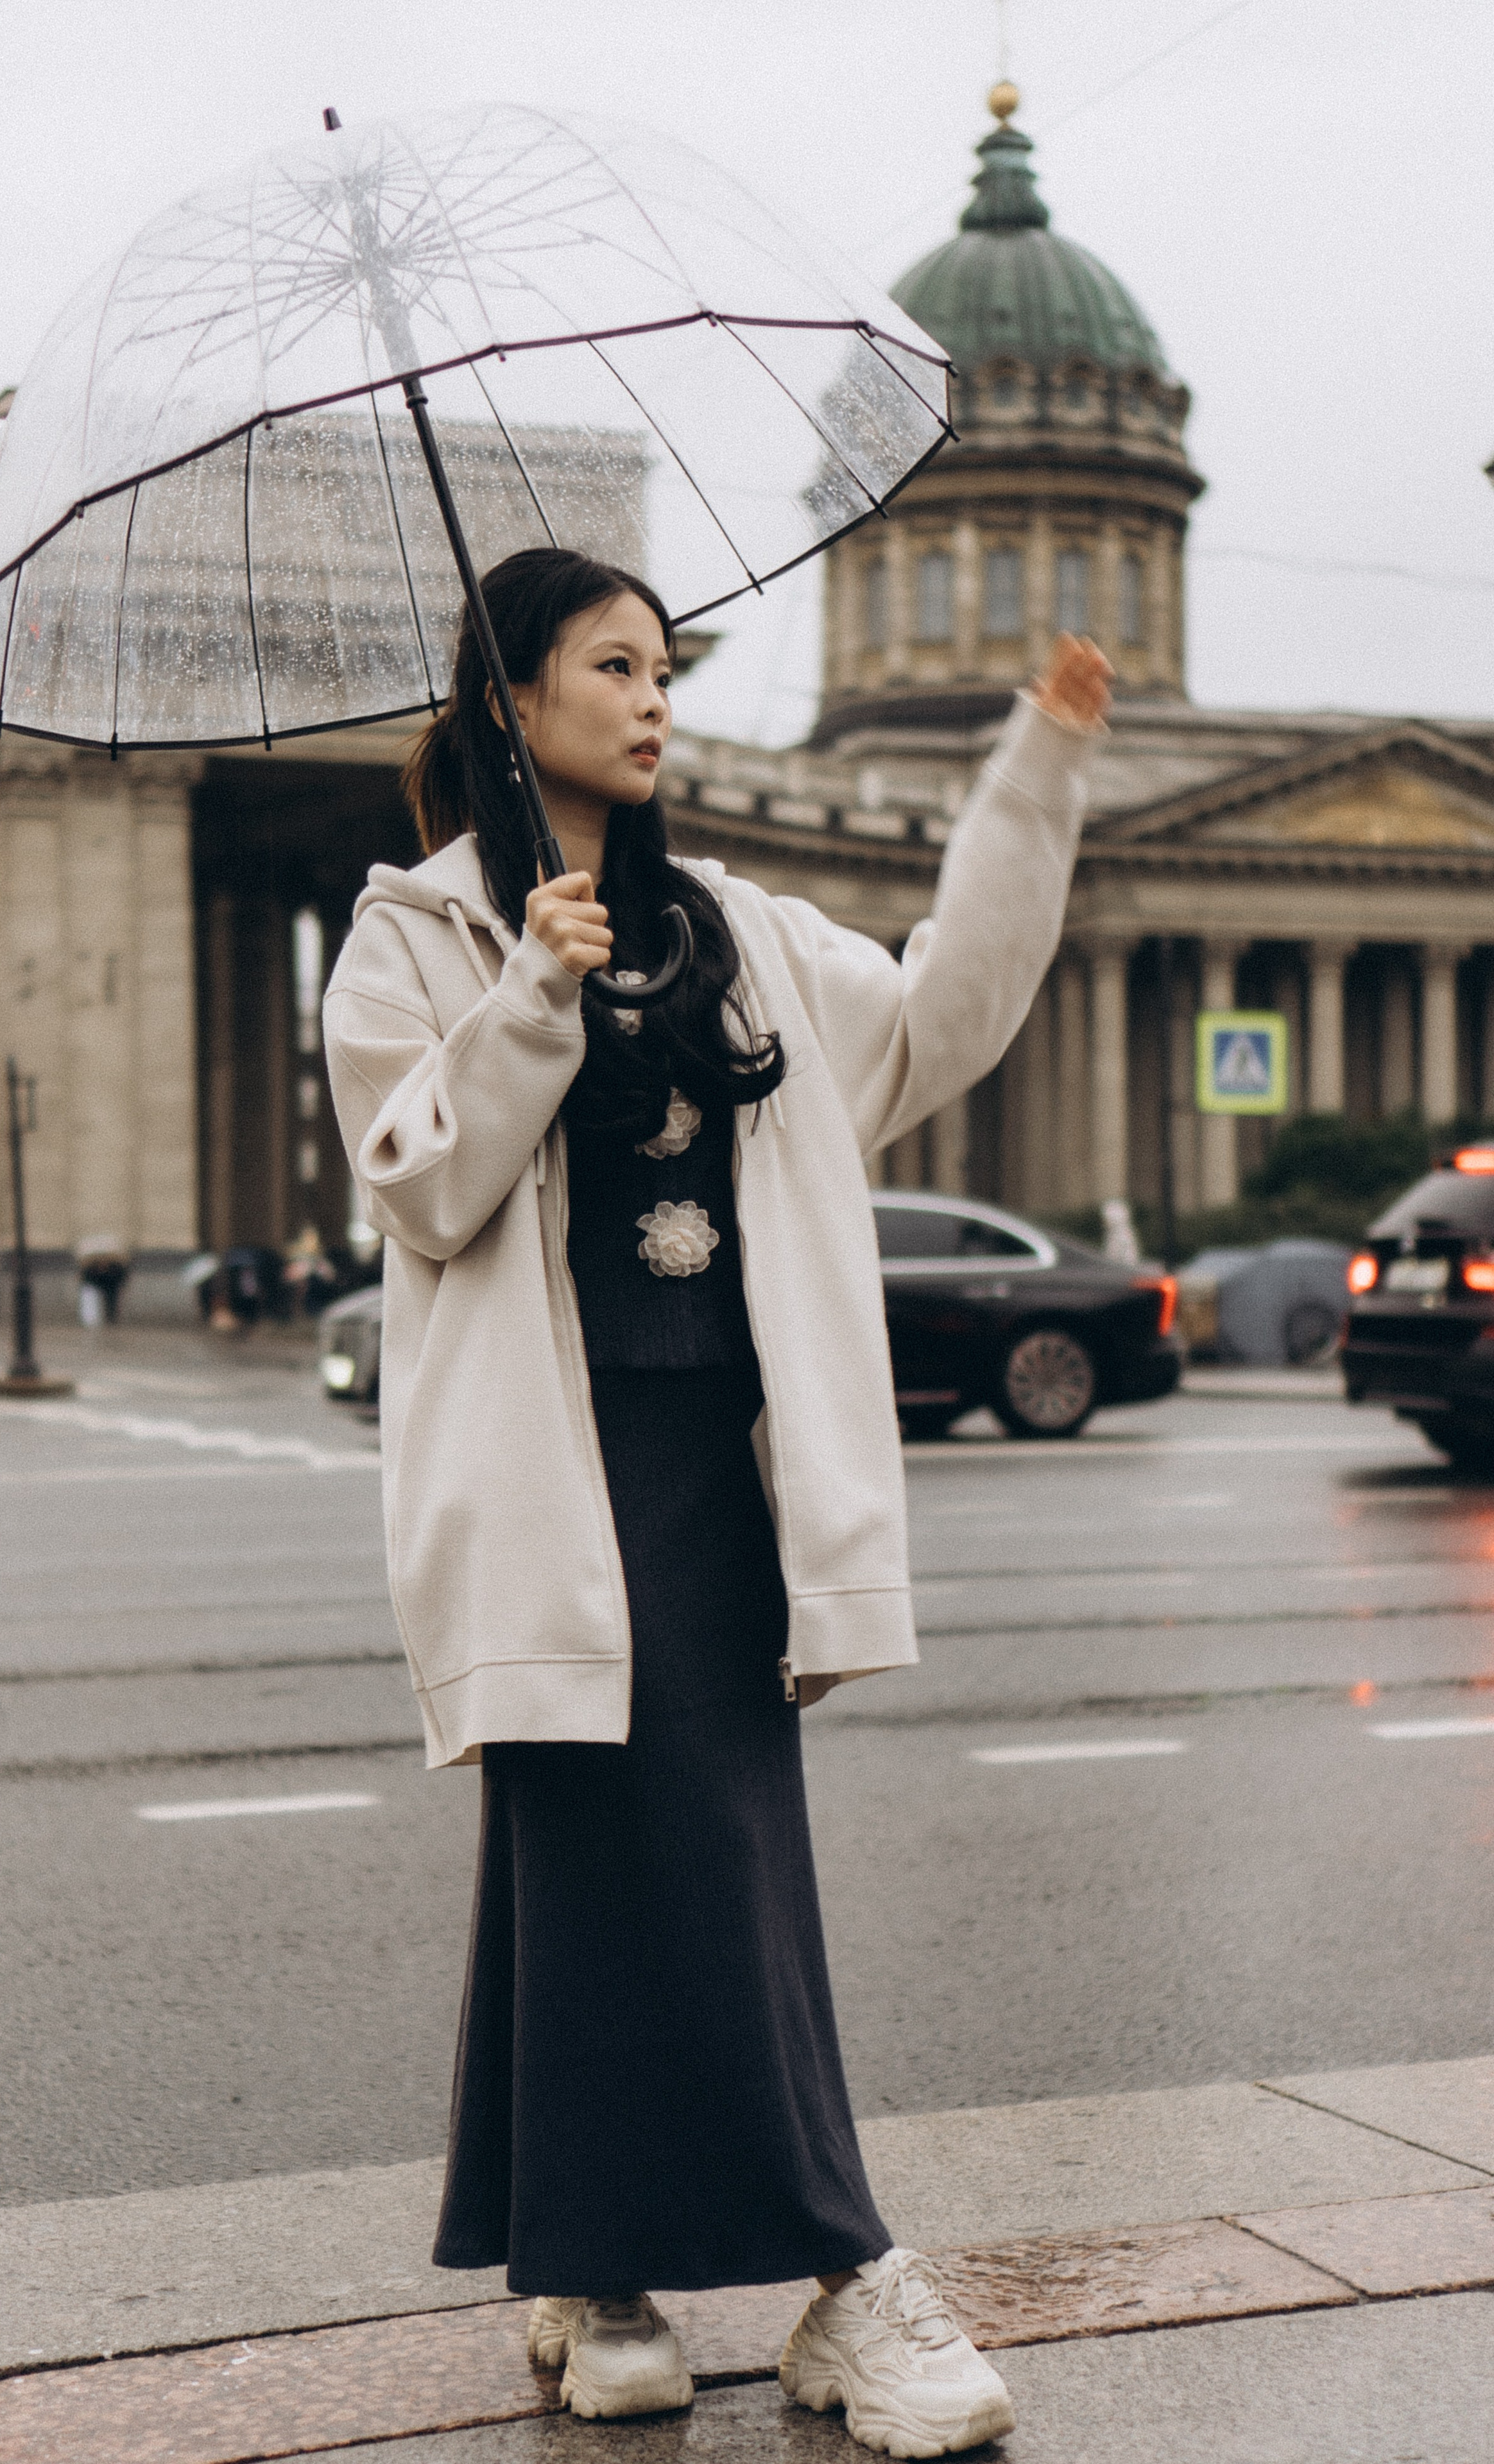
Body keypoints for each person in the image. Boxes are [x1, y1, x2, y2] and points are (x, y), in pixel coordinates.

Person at [324, 547, 1109, 2459]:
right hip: (546, 1476)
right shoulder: (414, 936)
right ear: (513, 700)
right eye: (612, 664)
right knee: (612, 1848)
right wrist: (530, 995)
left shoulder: (737, 927)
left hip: (717, 1463)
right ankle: (817, 2270)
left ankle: (620, 2270)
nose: (655, 696)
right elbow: (417, 1191)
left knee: (696, 1850)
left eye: (665, 665)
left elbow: (945, 1022)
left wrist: (1039, 779)